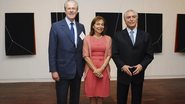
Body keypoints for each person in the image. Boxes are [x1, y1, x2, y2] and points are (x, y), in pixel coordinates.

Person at [112, 9, 154, 104]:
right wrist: (122, 66)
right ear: (125, 20)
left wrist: (141, 66)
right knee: (121, 100)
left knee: (137, 100)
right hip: (123, 73)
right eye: (128, 17)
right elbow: (114, 54)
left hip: (138, 73)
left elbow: (149, 55)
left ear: (137, 19)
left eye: (133, 17)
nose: (131, 19)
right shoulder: (117, 35)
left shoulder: (146, 35)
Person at [48, 0, 85, 104]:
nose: (71, 11)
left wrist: (83, 67)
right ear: (65, 10)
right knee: (61, 99)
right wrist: (53, 70)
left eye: (74, 8)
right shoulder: (56, 26)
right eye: (69, 8)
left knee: (75, 99)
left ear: (77, 11)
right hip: (61, 71)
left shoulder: (81, 27)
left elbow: (82, 48)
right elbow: (52, 50)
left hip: (77, 70)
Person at [83, 16, 112, 104]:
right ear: (93, 26)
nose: (100, 26)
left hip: (104, 70)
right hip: (90, 70)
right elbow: (85, 55)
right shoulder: (87, 38)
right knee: (92, 96)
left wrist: (101, 69)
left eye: (102, 24)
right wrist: (95, 70)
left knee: (101, 96)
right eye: (98, 24)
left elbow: (109, 55)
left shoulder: (108, 38)